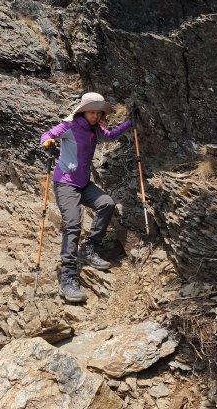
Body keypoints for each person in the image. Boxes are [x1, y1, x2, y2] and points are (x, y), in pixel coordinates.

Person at [40, 92, 135, 303]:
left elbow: (110, 136)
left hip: (83, 184)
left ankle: (89, 248)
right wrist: (48, 144)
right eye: (92, 111)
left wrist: (130, 123)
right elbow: (47, 135)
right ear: (84, 111)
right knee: (73, 224)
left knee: (106, 204)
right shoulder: (70, 125)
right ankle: (68, 278)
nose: (95, 115)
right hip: (65, 183)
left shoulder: (95, 129)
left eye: (98, 112)